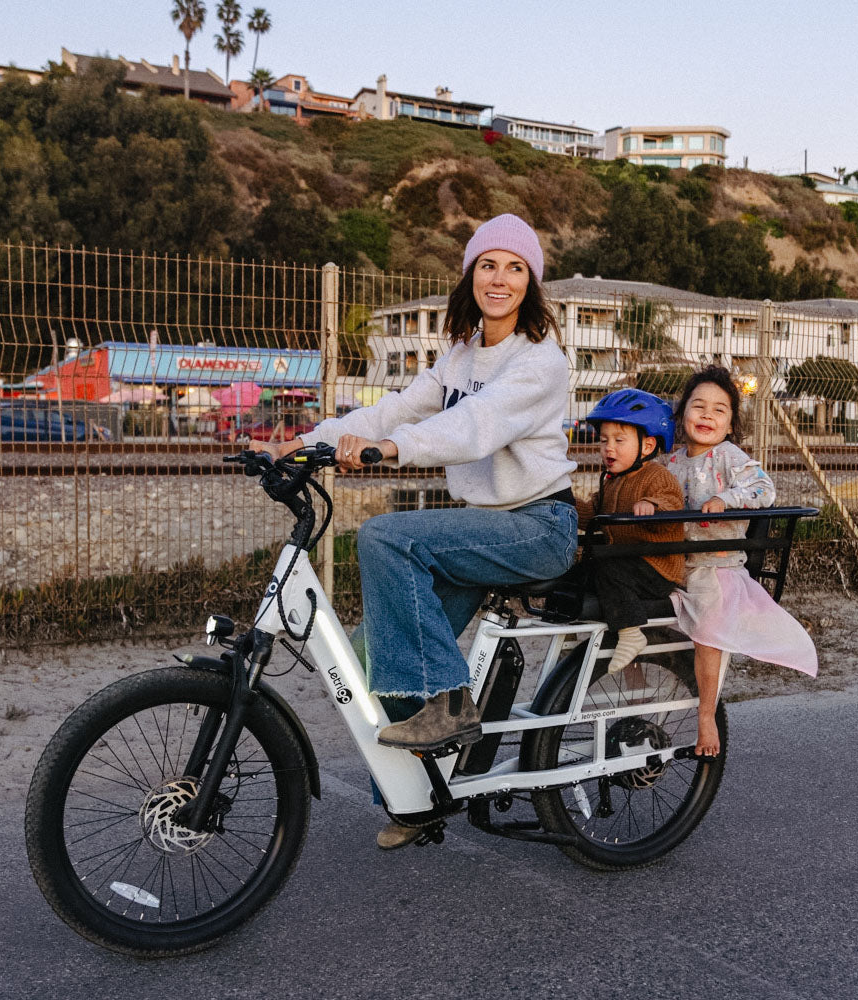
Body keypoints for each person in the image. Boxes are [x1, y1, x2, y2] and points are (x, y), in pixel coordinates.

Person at [262, 214, 579, 848]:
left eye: (516, 268)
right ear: (470, 275)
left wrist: (389, 452)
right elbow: (391, 410)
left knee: (383, 537)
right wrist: (305, 443)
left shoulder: (540, 363)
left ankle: (450, 704)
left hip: (537, 525)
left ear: (532, 284)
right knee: (368, 656)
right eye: (488, 264)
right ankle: (420, 798)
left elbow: (474, 428)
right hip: (480, 530)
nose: (500, 278)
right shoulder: (461, 354)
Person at [660, 366, 818, 758]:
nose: (707, 416)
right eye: (698, 407)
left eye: (719, 410)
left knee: (708, 629)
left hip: (716, 566)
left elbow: (764, 488)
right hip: (675, 562)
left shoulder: (728, 457)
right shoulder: (670, 462)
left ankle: (706, 713)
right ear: (682, 416)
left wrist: (726, 499)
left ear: (731, 423)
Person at [575, 390, 685, 674]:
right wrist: (567, 504)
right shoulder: (612, 481)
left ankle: (631, 633)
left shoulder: (657, 476)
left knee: (609, 568)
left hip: (656, 568)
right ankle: (569, 632)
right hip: (628, 562)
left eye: (619, 441)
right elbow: (593, 515)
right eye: (603, 441)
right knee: (581, 569)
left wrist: (652, 505)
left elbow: (672, 504)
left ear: (647, 446)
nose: (608, 448)